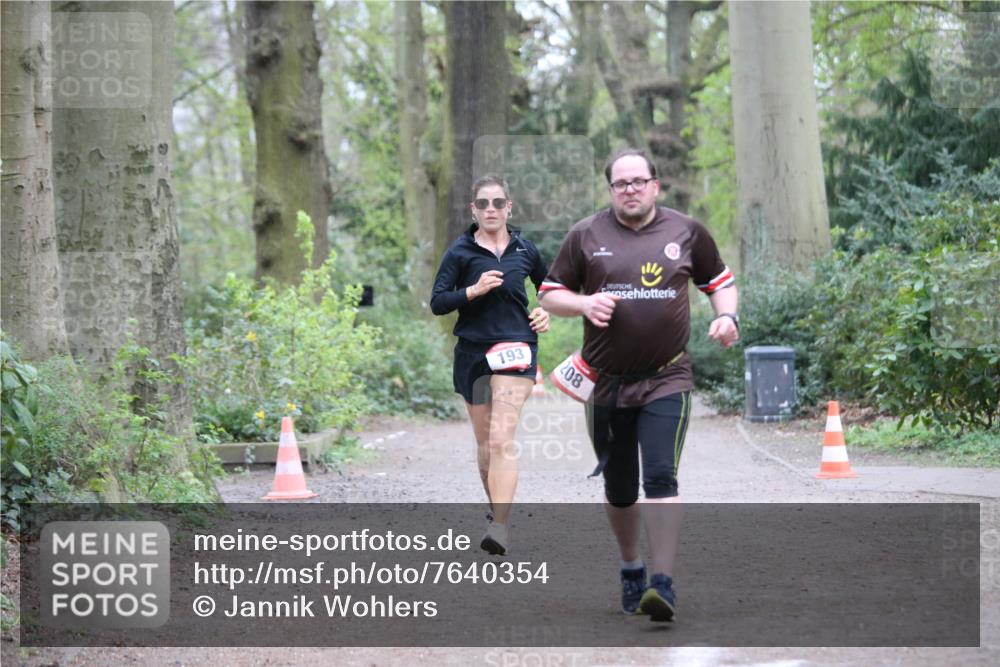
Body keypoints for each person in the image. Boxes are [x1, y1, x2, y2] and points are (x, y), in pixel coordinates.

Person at [539, 149, 739, 622]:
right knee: (620, 487)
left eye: (638, 181)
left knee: (662, 477)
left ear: (655, 185)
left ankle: (662, 583)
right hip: (606, 384)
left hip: (667, 376)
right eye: (620, 183)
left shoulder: (685, 231)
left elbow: (720, 281)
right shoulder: (586, 234)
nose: (630, 189)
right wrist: (584, 305)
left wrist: (727, 316)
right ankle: (632, 566)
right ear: (611, 190)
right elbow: (550, 293)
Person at [430, 175, 550, 556]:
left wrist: (544, 311)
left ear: (509, 207)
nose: (491, 209)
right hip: (473, 353)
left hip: (516, 348)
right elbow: (438, 302)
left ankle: (500, 526)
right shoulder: (460, 252)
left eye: (498, 203)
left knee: (501, 439)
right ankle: (496, 509)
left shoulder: (525, 249)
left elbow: (549, 289)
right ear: (474, 210)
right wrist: (473, 290)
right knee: (485, 446)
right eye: (483, 204)